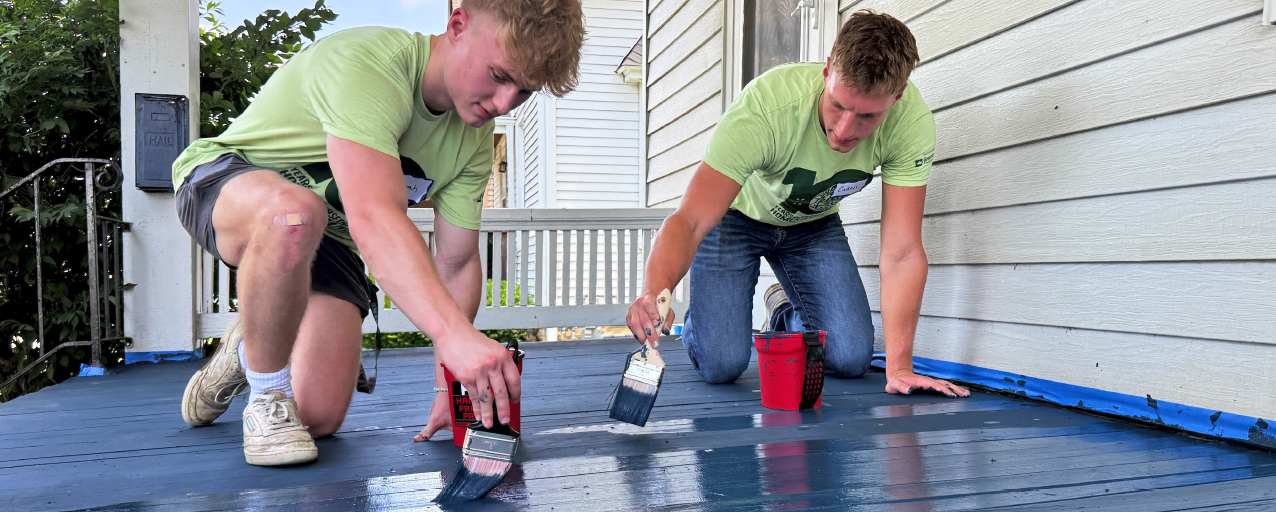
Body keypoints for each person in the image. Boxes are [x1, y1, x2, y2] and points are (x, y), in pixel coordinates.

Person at [173, 0, 584, 466]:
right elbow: (375, 216)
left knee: (317, 416)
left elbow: (458, 260)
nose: (505, 104)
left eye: (524, 92)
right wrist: (454, 338)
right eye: (499, 75)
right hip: (229, 182)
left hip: (331, 235)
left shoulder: (473, 140)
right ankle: (265, 393)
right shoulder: (369, 64)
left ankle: (249, 344)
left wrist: (450, 383)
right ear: (457, 25)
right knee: (292, 216)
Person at [626, 10, 969, 398]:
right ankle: (708, 321)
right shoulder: (768, 109)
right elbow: (689, 221)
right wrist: (652, 292)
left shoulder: (910, 124)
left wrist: (900, 368)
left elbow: (903, 251)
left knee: (850, 358)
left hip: (812, 226)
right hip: (736, 219)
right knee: (722, 364)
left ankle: (781, 311)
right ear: (827, 73)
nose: (844, 131)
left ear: (898, 95)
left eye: (867, 116)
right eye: (838, 105)